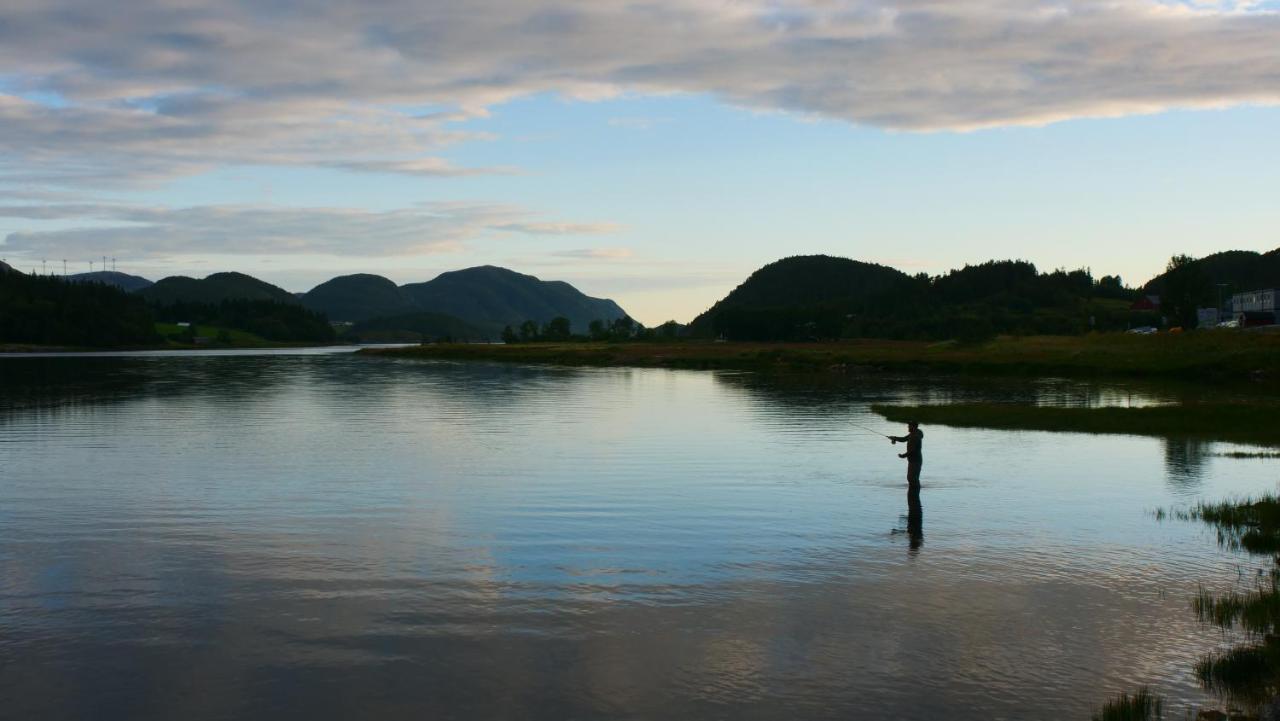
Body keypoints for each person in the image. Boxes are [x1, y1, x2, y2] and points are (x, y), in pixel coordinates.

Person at [889, 421, 923, 488]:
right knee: (911, 478)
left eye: (909, 426)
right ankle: (914, 491)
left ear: (913, 427)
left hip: (915, 460)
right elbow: (904, 439)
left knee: (912, 478)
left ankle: (915, 490)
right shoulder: (913, 434)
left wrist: (903, 455)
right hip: (913, 460)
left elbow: (912, 450)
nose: (908, 427)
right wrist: (894, 438)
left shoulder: (915, 436)